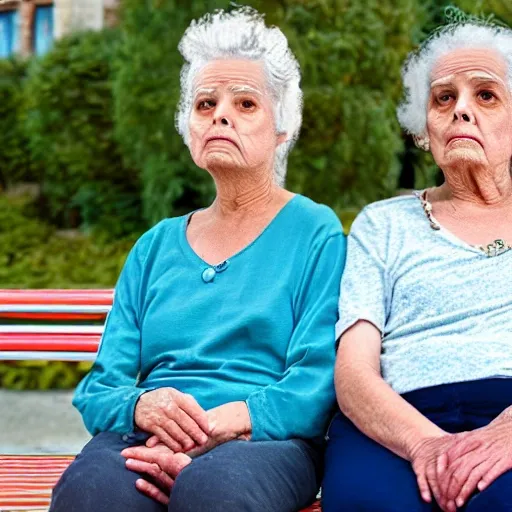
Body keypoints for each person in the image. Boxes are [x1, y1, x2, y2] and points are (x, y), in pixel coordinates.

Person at [50, 7, 346, 512]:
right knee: (89, 492)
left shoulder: (317, 233)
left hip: (265, 441)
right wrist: (143, 406)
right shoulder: (155, 246)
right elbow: (101, 388)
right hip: (147, 436)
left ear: (283, 129)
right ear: (188, 127)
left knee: (215, 493)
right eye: (205, 103)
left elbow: (318, 383)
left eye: (245, 103)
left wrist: (223, 424)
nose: (220, 115)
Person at [322, 16, 512, 512]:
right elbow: (355, 371)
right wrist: (426, 444)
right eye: (443, 98)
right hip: (395, 417)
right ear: (424, 128)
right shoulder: (381, 225)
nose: (461, 110)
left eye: (486, 95)